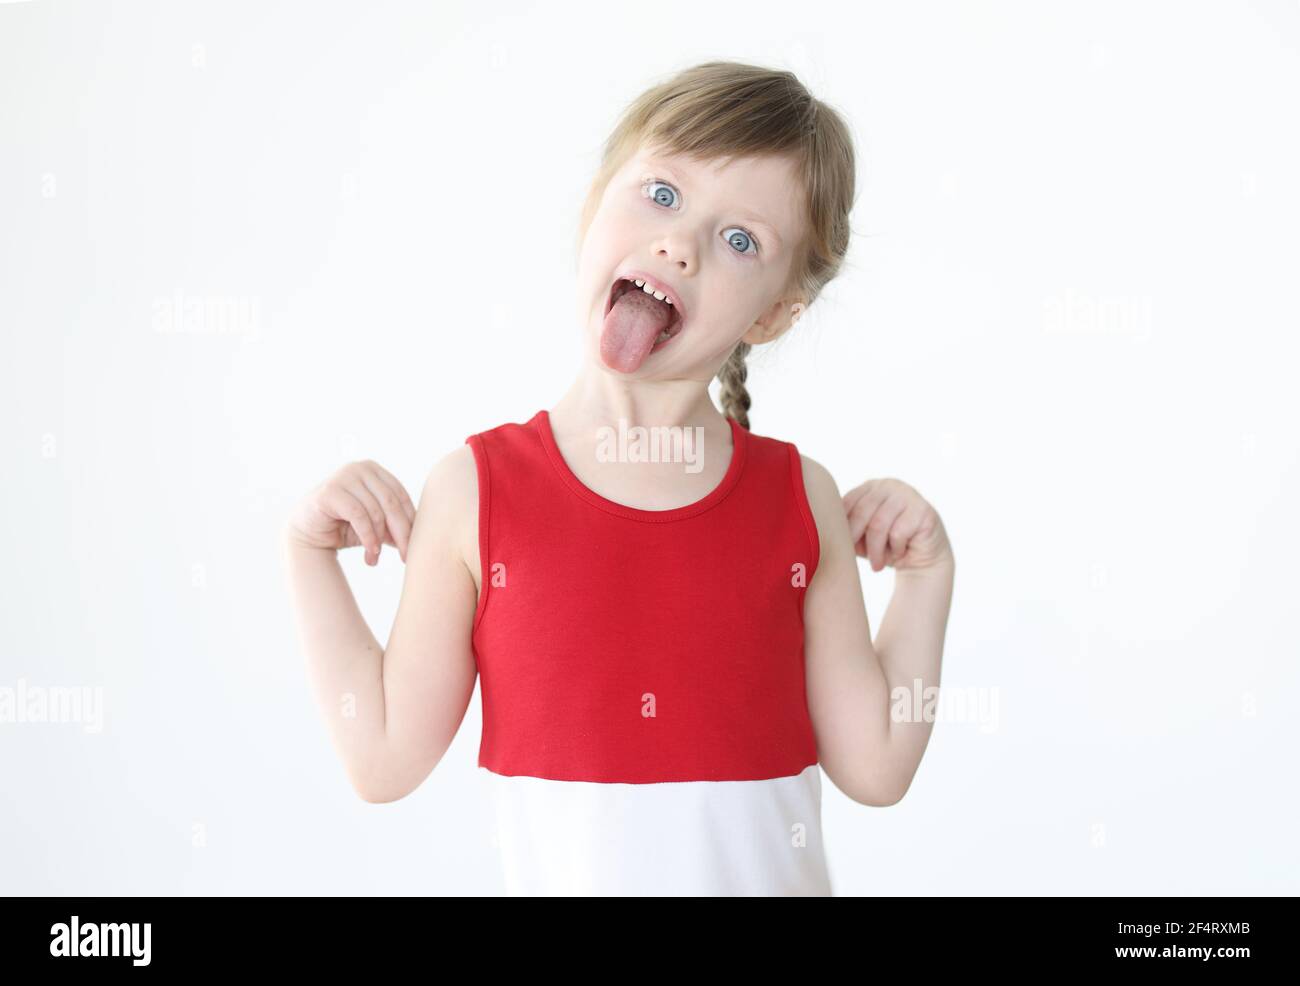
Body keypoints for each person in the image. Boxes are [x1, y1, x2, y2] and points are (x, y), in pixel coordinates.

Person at [283, 60, 955, 896]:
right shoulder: (475, 493)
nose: (680, 244)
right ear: (597, 199)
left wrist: (926, 577)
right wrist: (307, 555)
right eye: (662, 194)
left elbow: (879, 765)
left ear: (775, 312)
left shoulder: (799, 498)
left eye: (741, 239)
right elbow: (381, 756)